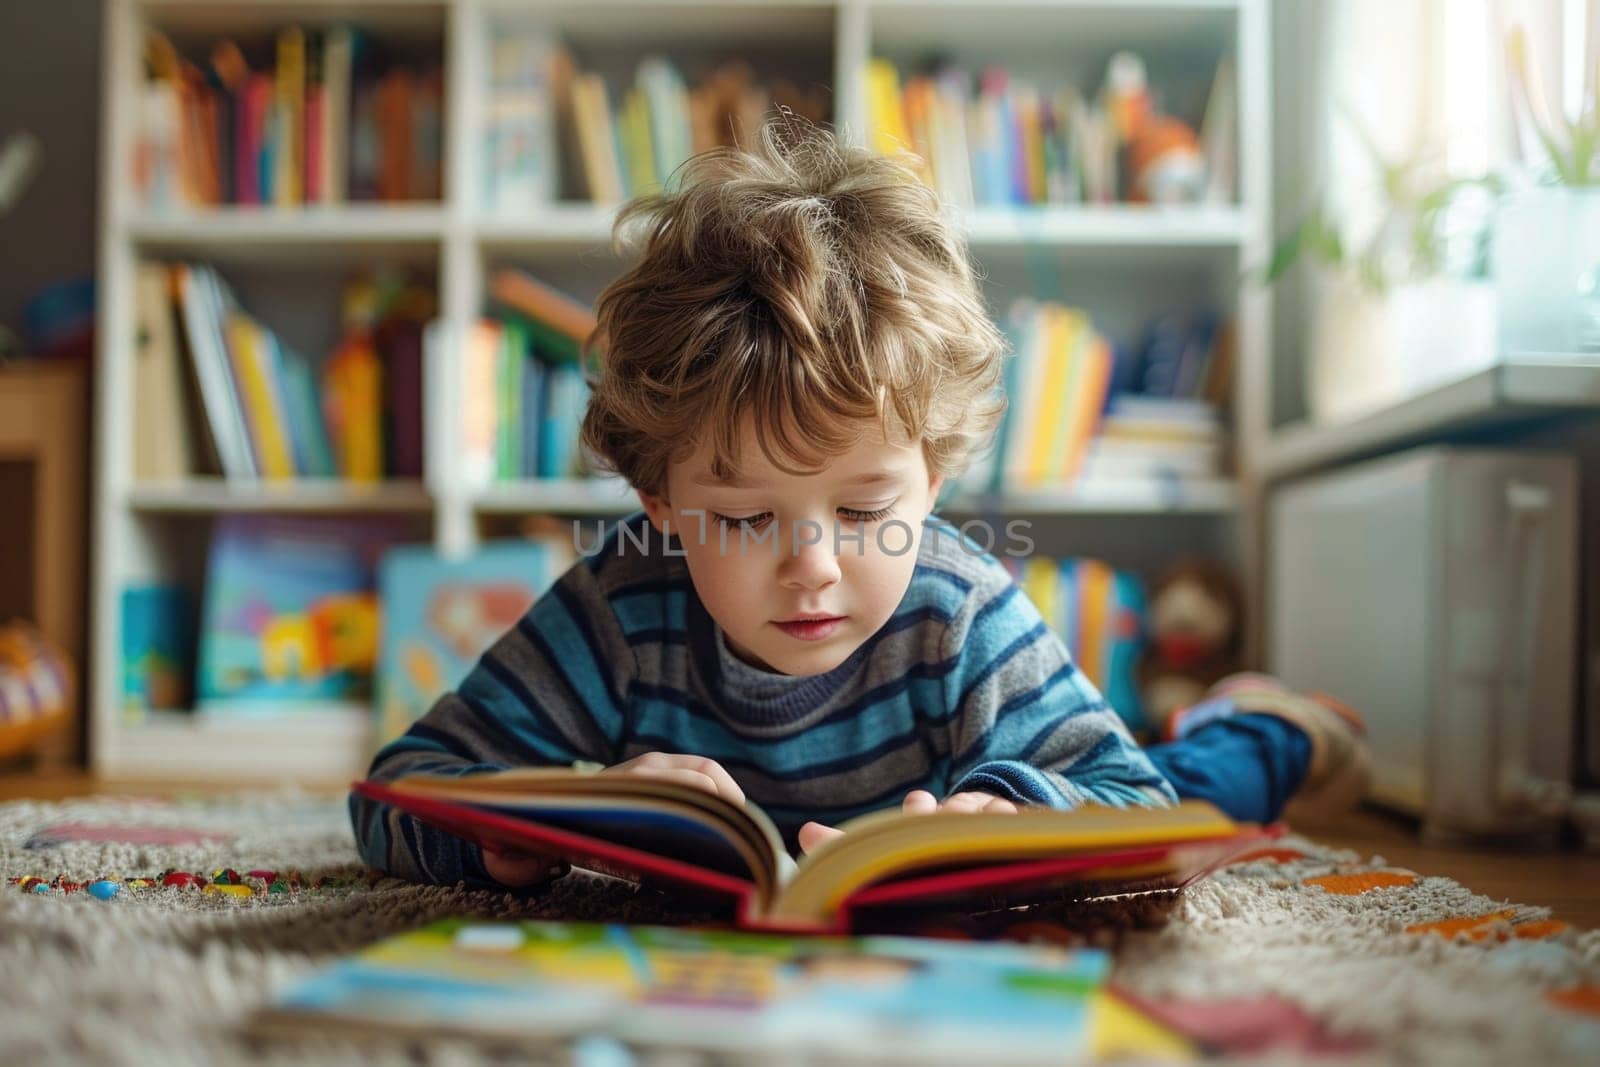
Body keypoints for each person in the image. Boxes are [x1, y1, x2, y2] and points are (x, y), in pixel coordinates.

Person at [349, 119, 1366, 889]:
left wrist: (1000, 814)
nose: (812, 564)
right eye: (746, 517)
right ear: (656, 496)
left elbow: (1127, 798)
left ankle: (1278, 724)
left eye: (865, 507)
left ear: (935, 476)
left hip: (1087, 767)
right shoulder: (617, 606)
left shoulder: (956, 606)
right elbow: (398, 788)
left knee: (1191, 790)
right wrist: (523, 830)